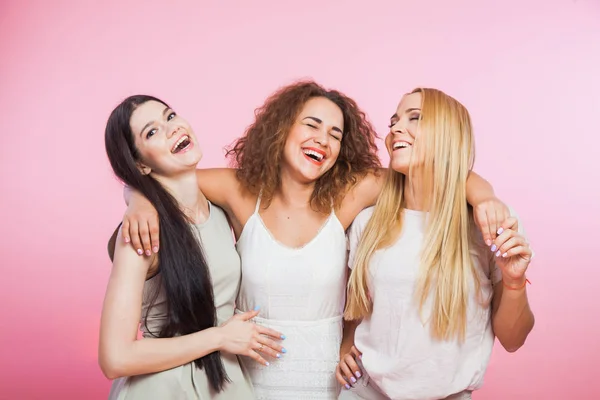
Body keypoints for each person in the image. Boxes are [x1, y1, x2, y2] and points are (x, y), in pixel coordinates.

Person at [120, 81, 509, 399]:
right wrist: (138, 201)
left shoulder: (350, 194)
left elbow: (441, 172)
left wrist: (485, 195)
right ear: (282, 129)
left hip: (329, 383)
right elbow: (166, 178)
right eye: (311, 124)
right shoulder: (240, 191)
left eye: (335, 134)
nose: (322, 139)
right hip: (249, 383)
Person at [337, 88, 535, 400]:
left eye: (414, 118)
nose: (395, 129)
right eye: (394, 121)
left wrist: (514, 282)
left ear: (448, 134)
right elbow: (357, 310)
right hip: (363, 393)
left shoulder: (490, 224)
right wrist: (346, 345)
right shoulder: (367, 223)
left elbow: (513, 339)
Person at [100, 95, 286, 400]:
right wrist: (220, 337)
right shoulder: (141, 231)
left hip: (225, 382)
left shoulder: (219, 208)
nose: (172, 128)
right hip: (163, 388)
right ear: (140, 165)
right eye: (152, 131)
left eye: (170, 116)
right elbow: (115, 358)